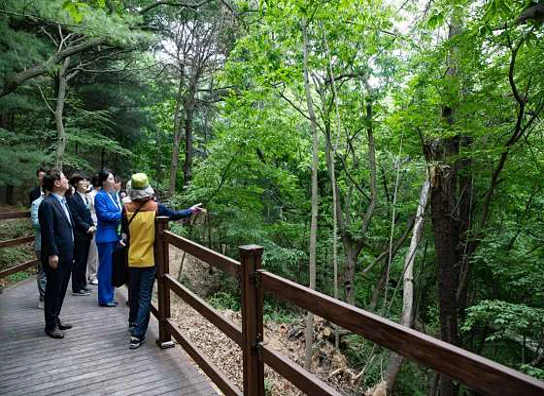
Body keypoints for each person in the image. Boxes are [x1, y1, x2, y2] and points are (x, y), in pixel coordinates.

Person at [122, 173, 202, 349]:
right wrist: (191, 210)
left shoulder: (126, 207)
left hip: (132, 258)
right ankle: (137, 335)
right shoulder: (155, 207)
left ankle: (132, 323)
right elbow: (175, 215)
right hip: (149, 259)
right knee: (144, 297)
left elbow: (125, 233)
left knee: (133, 293)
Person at [38, 169, 75, 339]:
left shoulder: (62, 201)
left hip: (67, 253)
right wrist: (52, 254)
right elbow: (48, 232)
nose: (67, 180)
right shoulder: (48, 204)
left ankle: (56, 318)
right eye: (64, 178)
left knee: (61, 290)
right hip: (56, 255)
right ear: (57, 183)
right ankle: (50, 325)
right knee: (53, 290)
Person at [94, 169, 122, 307]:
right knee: (105, 268)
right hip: (105, 236)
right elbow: (103, 216)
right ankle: (104, 298)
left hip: (114, 236)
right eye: (110, 179)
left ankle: (110, 295)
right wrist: (121, 216)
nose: (113, 181)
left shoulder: (112, 195)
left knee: (112, 267)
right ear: (104, 181)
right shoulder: (100, 196)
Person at [67, 173, 96, 296]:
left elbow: (87, 214)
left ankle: (83, 284)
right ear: (75, 183)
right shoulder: (73, 198)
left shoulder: (85, 197)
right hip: (80, 234)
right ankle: (76, 287)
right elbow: (75, 216)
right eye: (82, 181)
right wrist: (87, 227)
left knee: (84, 260)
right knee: (78, 261)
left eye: (87, 180)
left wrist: (92, 226)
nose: (86, 183)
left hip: (87, 233)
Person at [31, 190, 47, 309]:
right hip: (42, 243)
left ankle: (49, 297)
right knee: (43, 271)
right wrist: (52, 222)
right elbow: (36, 223)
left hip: (54, 243)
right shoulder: (37, 203)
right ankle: (43, 298)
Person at [86, 175, 100, 285]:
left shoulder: (106, 195)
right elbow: (88, 211)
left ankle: (99, 273)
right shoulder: (90, 195)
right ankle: (92, 274)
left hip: (103, 224)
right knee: (93, 251)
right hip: (94, 224)